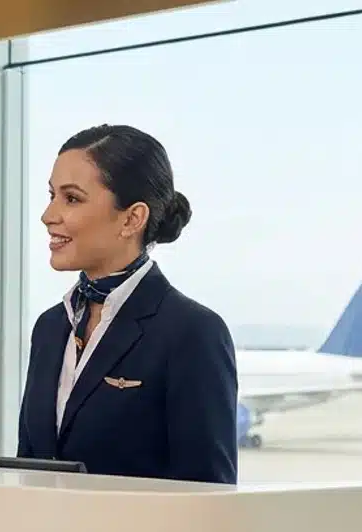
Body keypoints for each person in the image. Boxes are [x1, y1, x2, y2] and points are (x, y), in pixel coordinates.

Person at [16, 124, 237, 484]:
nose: (47, 215)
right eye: (51, 195)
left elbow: (208, 495)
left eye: (71, 199)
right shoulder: (50, 327)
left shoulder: (191, 331)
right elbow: (29, 464)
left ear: (132, 218)